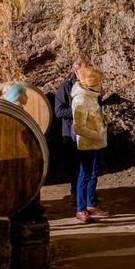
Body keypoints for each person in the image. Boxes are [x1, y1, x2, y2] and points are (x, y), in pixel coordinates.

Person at [71, 66, 110, 222]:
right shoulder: (81, 99)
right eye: (100, 81)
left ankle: (91, 204)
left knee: (93, 175)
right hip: (88, 145)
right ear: (92, 83)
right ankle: (80, 209)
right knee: (84, 176)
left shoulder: (91, 96)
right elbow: (79, 127)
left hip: (97, 144)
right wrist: (97, 135)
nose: (102, 83)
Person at [55, 59, 89, 205]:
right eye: (85, 69)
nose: (88, 72)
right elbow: (59, 111)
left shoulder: (89, 86)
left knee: (87, 166)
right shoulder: (65, 87)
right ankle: (75, 195)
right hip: (70, 134)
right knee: (75, 166)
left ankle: (87, 196)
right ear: (76, 71)